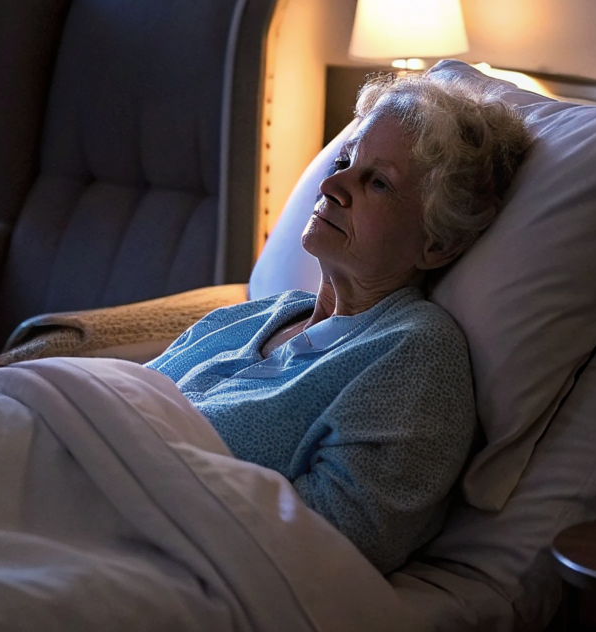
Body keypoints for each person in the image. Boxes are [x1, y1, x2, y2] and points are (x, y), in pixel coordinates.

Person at [147, 71, 533, 573]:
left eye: (377, 182)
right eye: (344, 162)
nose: (331, 185)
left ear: (438, 243)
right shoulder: (253, 317)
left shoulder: (412, 353)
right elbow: (117, 398)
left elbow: (336, 541)